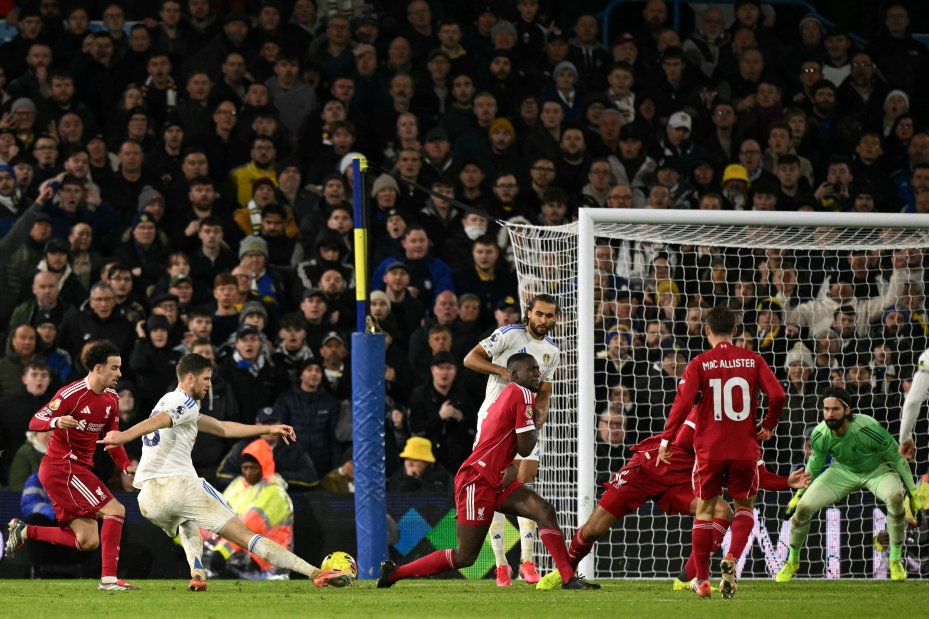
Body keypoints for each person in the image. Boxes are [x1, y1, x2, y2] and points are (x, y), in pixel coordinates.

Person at [96, 353, 353, 591]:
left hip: (149, 500)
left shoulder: (174, 403)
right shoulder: (182, 401)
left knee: (187, 520)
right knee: (245, 536)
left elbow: (222, 428)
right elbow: (158, 421)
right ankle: (314, 572)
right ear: (190, 378)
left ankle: (197, 573)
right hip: (179, 486)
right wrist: (124, 436)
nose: (209, 384)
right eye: (206, 378)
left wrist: (268, 429)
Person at [377, 353, 598, 590]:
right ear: (513, 374)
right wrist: (534, 420)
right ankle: (395, 573)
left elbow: (505, 443)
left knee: (544, 511)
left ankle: (568, 578)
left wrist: (512, 468)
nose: (537, 373)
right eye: (531, 369)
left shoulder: (510, 396)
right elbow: (525, 447)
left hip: (499, 476)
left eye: (538, 369)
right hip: (478, 479)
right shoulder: (521, 394)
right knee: (465, 557)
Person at [536, 408, 809, 590]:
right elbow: (684, 437)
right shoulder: (706, 409)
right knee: (595, 528)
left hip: (680, 482)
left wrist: (787, 482)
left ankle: (686, 579)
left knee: (722, 511)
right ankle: (564, 570)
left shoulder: (747, 435)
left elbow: (758, 474)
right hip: (649, 467)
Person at [658, 305, 785, 598]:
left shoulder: (700, 363)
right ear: (736, 331)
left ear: (706, 331)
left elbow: (682, 403)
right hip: (744, 449)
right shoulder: (753, 359)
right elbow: (778, 394)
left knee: (704, 511)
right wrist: (769, 424)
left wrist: (667, 440)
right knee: (744, 508)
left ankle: (702, 580)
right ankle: (731, 559)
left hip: (710, 450)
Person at [5, 341, 138, 591]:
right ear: (98, 369)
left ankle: (25, 531)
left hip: (75, 470)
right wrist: (56, 422)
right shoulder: (71, 394)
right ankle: (109, 580)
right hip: (61, 467)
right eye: (114, 368)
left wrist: (125, 466)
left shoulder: (112, 399)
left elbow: (113, 438)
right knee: (116, 510)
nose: (120, 374)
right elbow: (36, 421)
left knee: (88, 541)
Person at [777, 387, 922, 583]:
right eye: (826, 409)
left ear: (847, 410)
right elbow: (815, 465)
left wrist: (913, 494)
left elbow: (898, 459)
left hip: (877, 470)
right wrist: (799, 495)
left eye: (835, 409)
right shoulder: (820, 434)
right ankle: (792, 561)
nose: (829, 414)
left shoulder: (868, 428)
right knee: (803, 508)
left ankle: (895, 561)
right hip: (842, 471)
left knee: (895, 497)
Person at [462, 294, 559, 585]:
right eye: (539, 314)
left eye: (550, 316)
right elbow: (470, 359)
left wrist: (540, 414)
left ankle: (527, 561)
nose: (544, 321)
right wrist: (503, 371)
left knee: (524, 484)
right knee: (495, 486)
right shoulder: (508, 334)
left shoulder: (552, 352)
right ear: (528, 313)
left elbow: (543, 392)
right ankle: (501, 563)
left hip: (524, 423)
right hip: (494, 421)